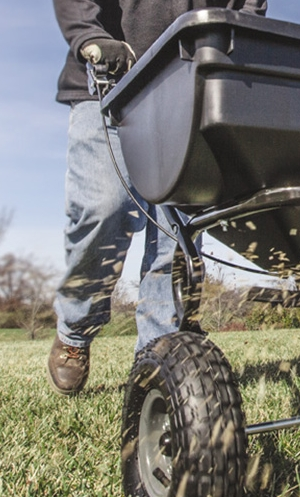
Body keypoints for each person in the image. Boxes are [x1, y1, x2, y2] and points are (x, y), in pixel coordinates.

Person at [48, 0, 268, 395]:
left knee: (175, 232)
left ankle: (158, 354)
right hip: (108, 82)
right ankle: (75, 330)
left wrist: (239, 39)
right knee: (103, 209)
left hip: (185, 86)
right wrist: (90, 36)